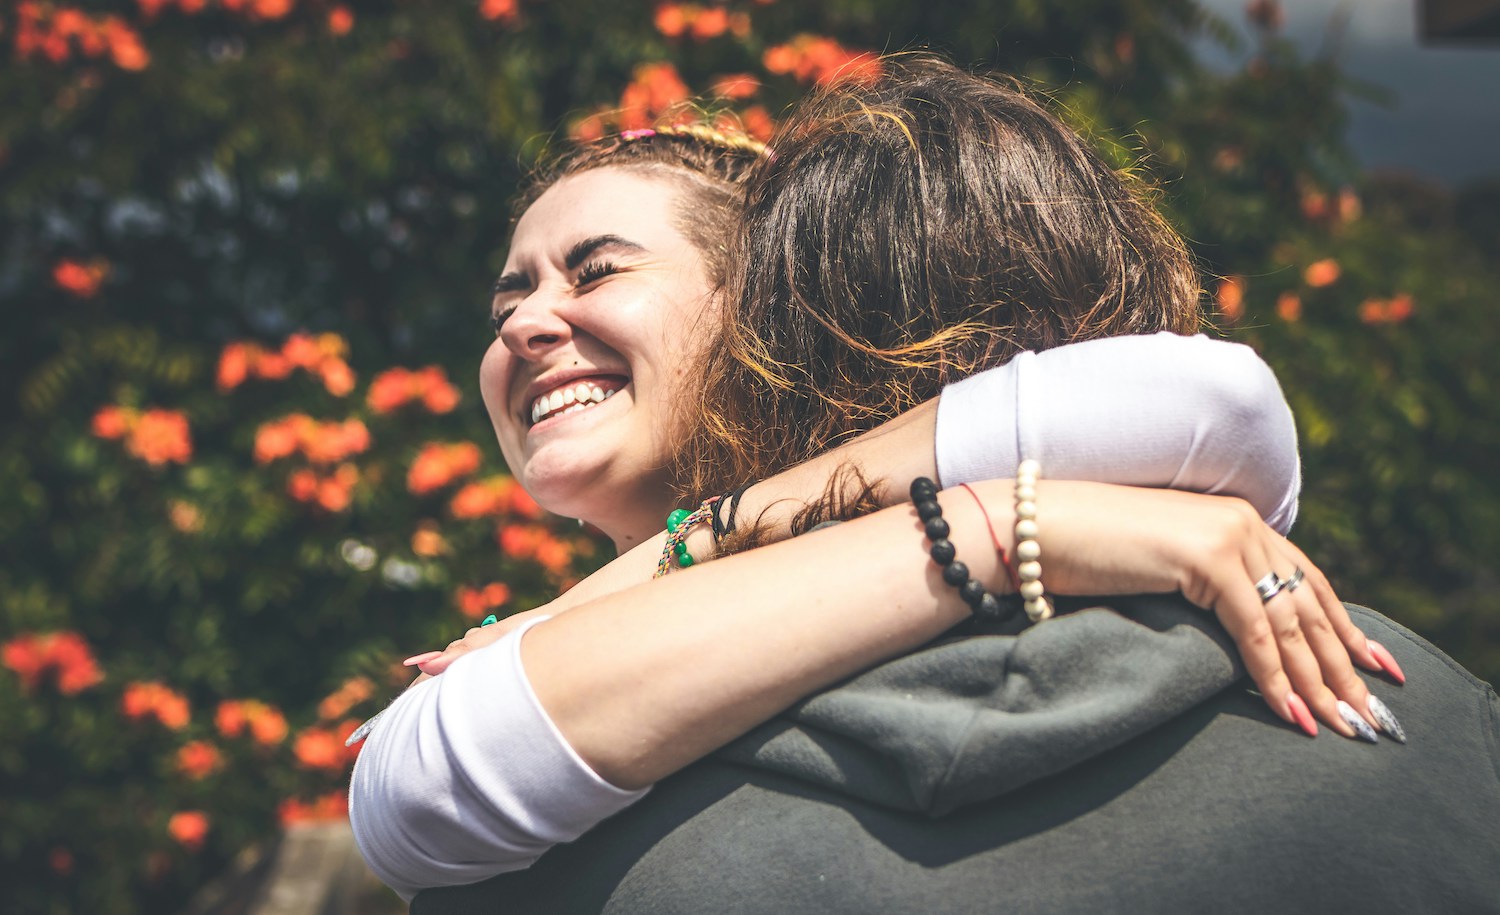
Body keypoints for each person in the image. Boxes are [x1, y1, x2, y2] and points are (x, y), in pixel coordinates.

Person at [347, 61, 1492, 913]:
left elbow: (1206, 402)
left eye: (598, 272)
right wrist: (1015, 523)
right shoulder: (1442, 731)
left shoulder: (561, 849)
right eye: (505, 307)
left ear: (763, 327)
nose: (527, 324)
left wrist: (989, 524)